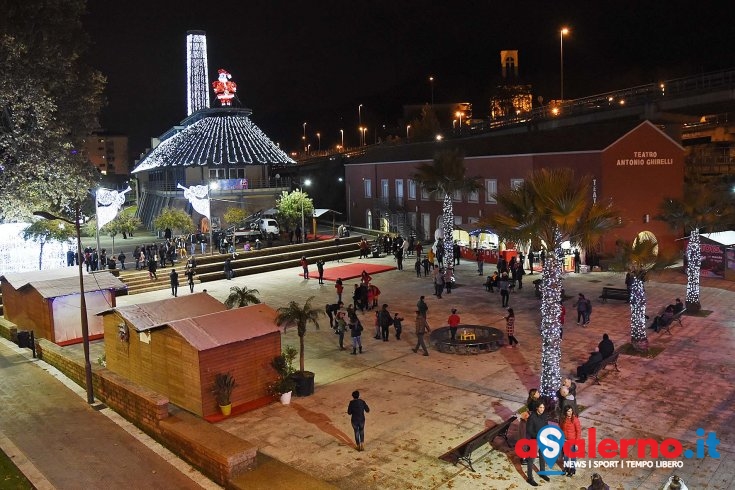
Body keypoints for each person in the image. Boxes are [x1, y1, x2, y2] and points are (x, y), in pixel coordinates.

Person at [525, 402, 550, 486]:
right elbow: (529, 430)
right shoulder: (532, 417)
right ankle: (530, 478)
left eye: (543, 407)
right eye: (540, 407)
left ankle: (542, 472)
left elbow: (546, 426)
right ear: (537, 408)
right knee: (531, 460)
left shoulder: (544, 415)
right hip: (534, 440)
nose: (542, 409)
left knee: (542, 457)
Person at [559, 405, 581, 477]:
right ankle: (566, 467)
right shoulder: (563, 419)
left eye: (571, 411)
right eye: (568, 411)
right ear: (565, 412)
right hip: (565, 440)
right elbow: (560, 428)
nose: (570, 412)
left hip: (572, 441)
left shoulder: (575, 419)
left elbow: (578, 431)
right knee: (565, 456)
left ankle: (572, 469)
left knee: (572, 456)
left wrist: (577, 443)